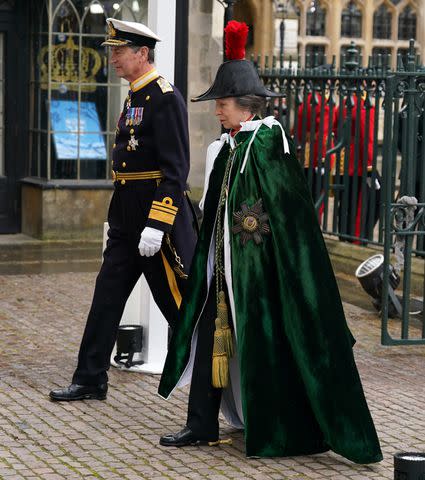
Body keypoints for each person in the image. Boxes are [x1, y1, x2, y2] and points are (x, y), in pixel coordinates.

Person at [157, 21, 382, 464]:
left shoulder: (268, 145)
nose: (216, 112)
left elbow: (289, 219)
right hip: (221, 269)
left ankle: (275, 424)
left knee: (265, 342)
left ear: (245, 107)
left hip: (260, 275)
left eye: (221, 104)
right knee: (209, 335)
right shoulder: (227, 147)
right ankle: (200, 423)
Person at [49, 19, 197, 402]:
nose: (112, 58)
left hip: (155, 225)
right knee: (106, 298)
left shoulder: (164, 97)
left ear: (142, 53)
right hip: (126, 219)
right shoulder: (135, 95)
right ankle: (90, 378)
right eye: (112, 50)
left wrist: (157, 224)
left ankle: (212, 388)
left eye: (119, 51)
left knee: (180, 308)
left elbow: (176, 170)